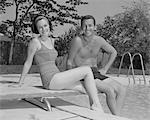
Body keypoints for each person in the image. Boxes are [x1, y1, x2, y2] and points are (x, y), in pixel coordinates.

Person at [9, 15, 104, 113]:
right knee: (87, 70)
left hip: (57, 77)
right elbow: (28, 62)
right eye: (40, 27)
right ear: (37, 29)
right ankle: (97, 107)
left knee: (86, 87)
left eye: (45, 26)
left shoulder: (51, 41)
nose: (43, 29)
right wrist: (20, 83)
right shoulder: (35, 42)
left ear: (49, 26)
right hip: (50, 80)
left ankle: (95, 111)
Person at [67, 15, 126, 115]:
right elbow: (69, 61)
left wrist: (105, 68)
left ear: (94, 27)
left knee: (122, 90)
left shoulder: (99, 40)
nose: (87, 28)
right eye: (84, 26)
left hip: (96, 72)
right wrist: (72, 77)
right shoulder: (77, 41)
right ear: (81, 27)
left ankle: (117, 116)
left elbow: (113, 52)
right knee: (109, 90)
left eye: (90, 25)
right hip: (83, 74)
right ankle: (116, 117)